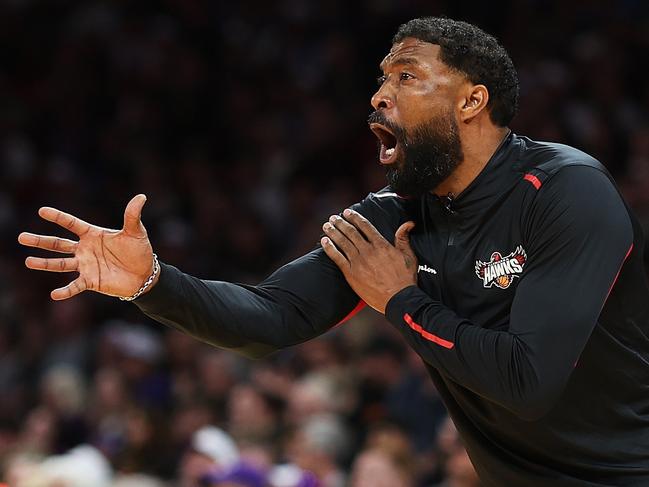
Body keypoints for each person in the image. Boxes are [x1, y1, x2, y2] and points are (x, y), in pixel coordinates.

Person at [18, 16, 649, 487]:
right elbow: (267, 321)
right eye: (381, 80)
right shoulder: (392, 217)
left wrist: (401, 301)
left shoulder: (566, 191)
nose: (379, 96)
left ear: (471, 100)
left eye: (406, 77)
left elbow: (528, 381)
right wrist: (152, 283)